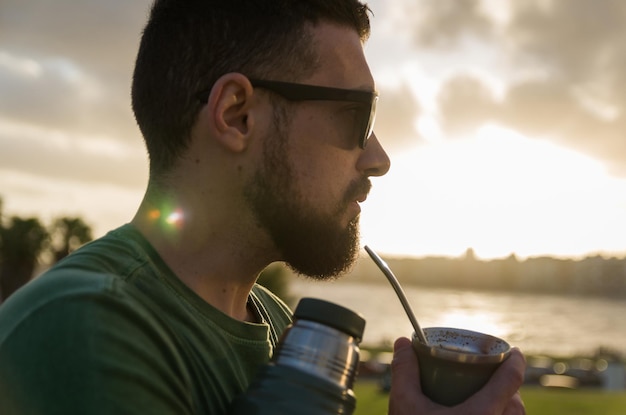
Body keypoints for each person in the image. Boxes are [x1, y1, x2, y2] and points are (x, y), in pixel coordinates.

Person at [0, 0, 526, 414]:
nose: (378, 158)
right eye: (355, 116)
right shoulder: (86, 327)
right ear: (236, 114)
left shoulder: (277, 326)